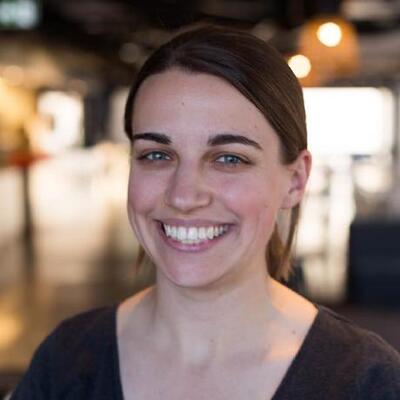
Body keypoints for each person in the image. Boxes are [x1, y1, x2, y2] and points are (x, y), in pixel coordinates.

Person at [10, 25, 400, 400]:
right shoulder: (67, 361)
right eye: (156, 155)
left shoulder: (367, 381)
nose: (184, 196)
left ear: (295, 181)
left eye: (229, 158)